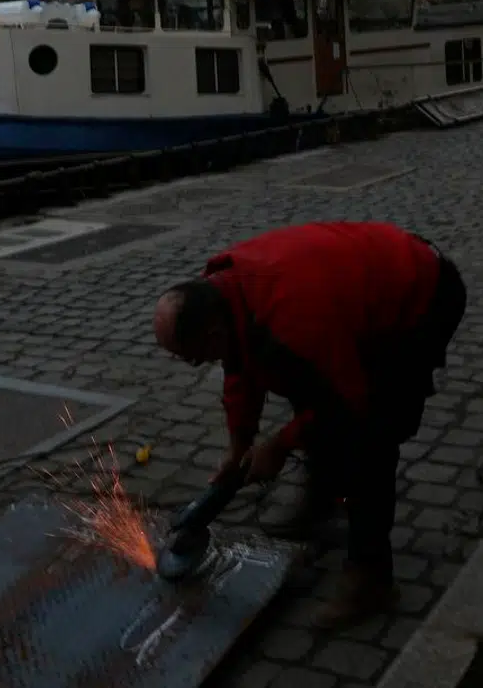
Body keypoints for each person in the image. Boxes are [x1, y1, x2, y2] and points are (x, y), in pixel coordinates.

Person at [153, 221, 467, 627]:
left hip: (423, 297)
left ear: (212, 334)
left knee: (370, 436)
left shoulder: (294, 316)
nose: (195, 364)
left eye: (194, 357)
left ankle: (370, 579)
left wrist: (280, 445)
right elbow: (240, 365)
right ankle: (323, 499)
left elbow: (345, 400)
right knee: (305, 382)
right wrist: (239, 445)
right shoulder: (221, 295)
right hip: (347, 298)